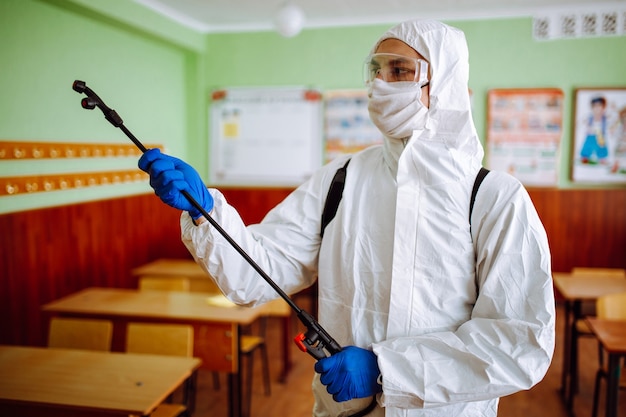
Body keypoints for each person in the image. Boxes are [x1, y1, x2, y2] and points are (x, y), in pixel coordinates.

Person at [139, 19, 555, 417]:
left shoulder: (494, 198)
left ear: (443, 83)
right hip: (344, 411)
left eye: (400, 70)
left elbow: (520, 342)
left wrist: (385, 370)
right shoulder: (341, 179)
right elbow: (256, 273)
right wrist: (207, 213)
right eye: (376, 69)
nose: (381, 82)